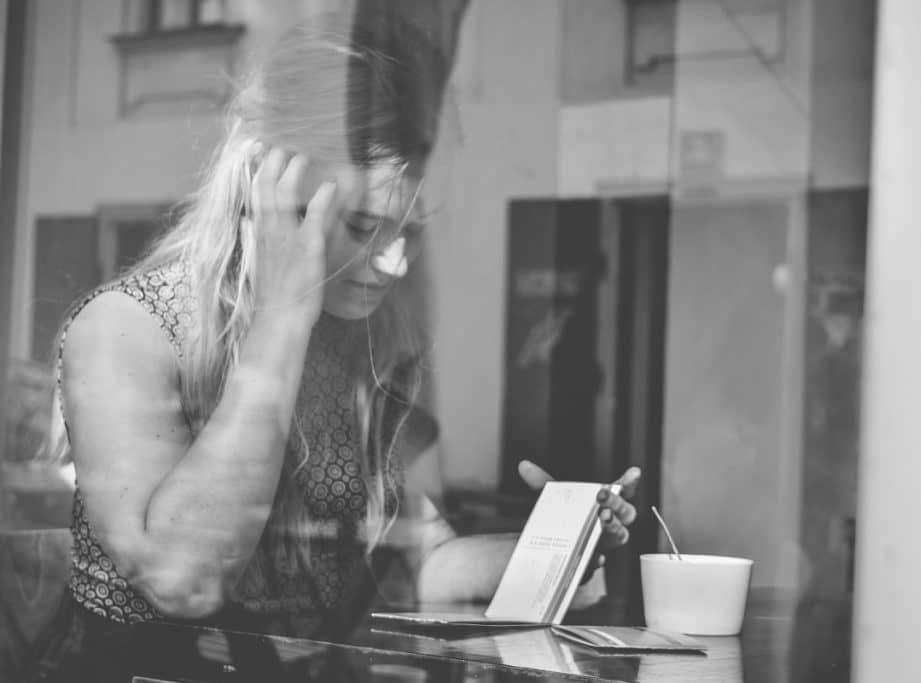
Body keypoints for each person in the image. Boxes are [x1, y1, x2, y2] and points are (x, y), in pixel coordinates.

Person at [24, 6, 640, 681]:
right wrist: (284, 311)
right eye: (366, 225)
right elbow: (183, 578)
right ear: (278, 188)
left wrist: (553, 541)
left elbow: (415, 563)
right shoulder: (124, 329)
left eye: (411, 233)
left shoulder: (353, 343)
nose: (394, 263)